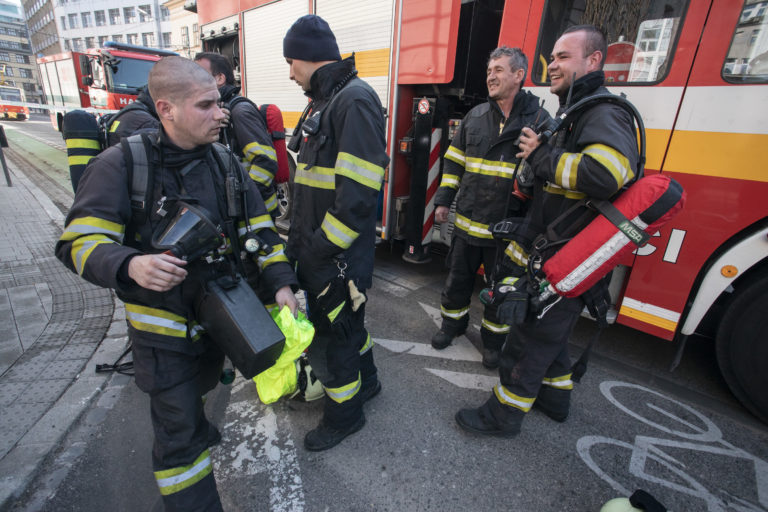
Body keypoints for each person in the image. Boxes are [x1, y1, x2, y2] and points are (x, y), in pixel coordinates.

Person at [55, 56, 298, 510]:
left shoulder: (225, 162)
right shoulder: (123, 164)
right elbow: (78, 241)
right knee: (179, 443)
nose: (221, 114)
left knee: (200, 395)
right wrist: (130, 264)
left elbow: (260, 229)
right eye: (206, 105)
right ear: (166, 109)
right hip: (162, 334)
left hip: (219, 322)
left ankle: (196, 419)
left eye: (220, 103)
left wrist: (281, 283)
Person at [455, 25, 639, 437]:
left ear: (593, 61)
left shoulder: (602, 112)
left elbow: (604, 173)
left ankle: (502, 416)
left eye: (562, 57)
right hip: (564, 252)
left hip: (569, 254)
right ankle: (555, 400)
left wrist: (541, 158)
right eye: (552, 58)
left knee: (530, 337)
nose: (551, 65)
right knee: (551, 330)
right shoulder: (577, 111)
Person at [283, 14, 389, 451]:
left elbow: (359, 196)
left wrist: (319, 251)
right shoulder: (325, 100)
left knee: (334, 337)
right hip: (321, 248)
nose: (289, 73)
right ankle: (369, 384)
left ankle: (344, 415)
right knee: (350, 327)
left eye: (291, 62)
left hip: (334, 255)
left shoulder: (353, 100)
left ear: (309, 58)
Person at [431, 47, 547, 369]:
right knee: (456, 283)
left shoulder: (539, 122)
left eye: (498, 70)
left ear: (519, 75)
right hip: (467, 225)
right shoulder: (475, 117)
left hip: (507, 234)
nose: (490, 77)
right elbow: (454, 163)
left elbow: (545, 176)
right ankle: (451, 326)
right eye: (488, 70)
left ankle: (493, 343)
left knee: (500, 290)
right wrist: (442, 201)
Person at [194, 51, 281, 219]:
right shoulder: (220, 111)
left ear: (219, 79)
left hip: (255, 214)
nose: (192, 80)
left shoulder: (240, 111)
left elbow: (266, 162)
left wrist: (242, 199)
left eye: (199, 75)